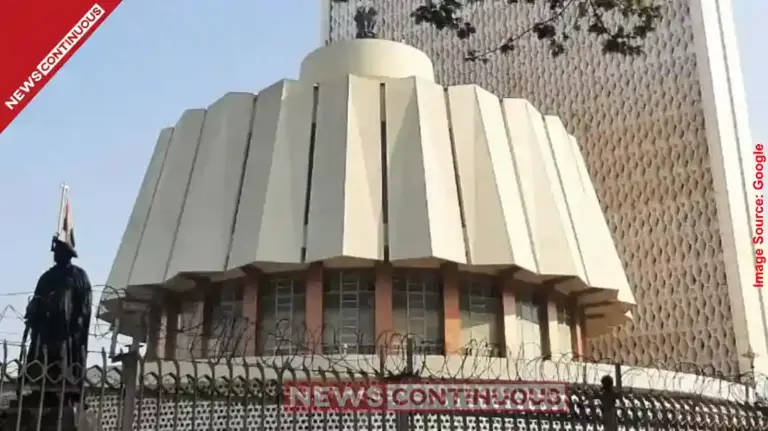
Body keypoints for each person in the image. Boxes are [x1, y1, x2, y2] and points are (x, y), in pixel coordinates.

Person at [21, 236, 93, 408]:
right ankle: (41, 391)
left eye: (59, 251)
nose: (55, 255)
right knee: (43, 357)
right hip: (46, 329)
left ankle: (69, 391)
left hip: (67, 330)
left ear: (67, 254)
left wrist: (78, 322)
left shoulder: (78, 275)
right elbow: (37, 297)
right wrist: (33, 310)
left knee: (66, 359)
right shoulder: (47, 277)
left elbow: (85, 302)